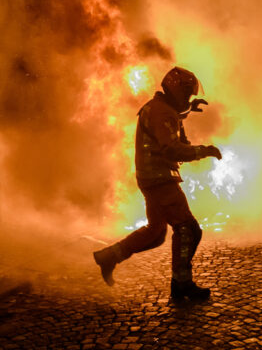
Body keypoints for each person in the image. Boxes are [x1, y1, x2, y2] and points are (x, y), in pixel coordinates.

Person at [93, 67, 222, 302]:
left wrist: (188, 111)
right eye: (187, 94)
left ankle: (109, 256)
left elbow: (170, 120)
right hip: (160, 179)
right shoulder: (162, 112)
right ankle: (182, 284)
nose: (188, 99)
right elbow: (171, 147)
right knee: (188, 229)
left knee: (156, 233)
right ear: (176, 90)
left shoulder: (161, 108)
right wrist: (205, 151)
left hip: (152, 178)